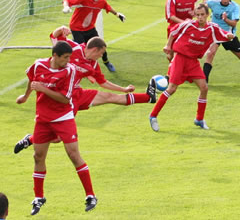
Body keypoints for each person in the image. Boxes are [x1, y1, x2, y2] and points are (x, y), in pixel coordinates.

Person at [13, 27, 157, 155]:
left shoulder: (93, 64)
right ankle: (30, 139)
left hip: (77, 93)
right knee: (57, 138)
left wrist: (124, 89)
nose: (101, 57)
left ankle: (148, 97)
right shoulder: (73, 48)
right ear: (94, 50)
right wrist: (62, 28)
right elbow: (54, 36)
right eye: (101, 54)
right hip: (64, 97)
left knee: (110, 97)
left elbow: (103, 82)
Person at [16, 41, 98, 215]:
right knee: (38, 156)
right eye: (65, 57)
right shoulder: (39, 65)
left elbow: (64, 99)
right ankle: (39, 197)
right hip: (43, 119)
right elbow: (32, 78)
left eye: (70, 57)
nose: (68, 60)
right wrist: (25, 96)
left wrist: (43, 89)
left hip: (63, 117)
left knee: (73, 155)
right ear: (55, 56)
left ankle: (90, 195)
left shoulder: (69, 71)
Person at [149, 4, 234, 132]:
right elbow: (173, 32)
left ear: (207, 15)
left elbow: (222, 33)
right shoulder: (188, 25)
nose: (200, 17)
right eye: (197, 15)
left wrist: (228, 36)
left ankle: (199, 119)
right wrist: (168, 45)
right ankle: (153, 116)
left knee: (204, 87)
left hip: (193, 62)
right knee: (171, 89)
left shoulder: (212, 28)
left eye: (202, 15)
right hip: (180, 59)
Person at [62, 0, 124, 72]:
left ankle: (107, 62)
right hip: (76, 28)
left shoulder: (102, 1)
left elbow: (108, 7)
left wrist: (117, 14)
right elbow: (66, 0)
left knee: (101, 46)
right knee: (83, 50)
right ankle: (83, 67)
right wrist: (66, 7)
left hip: (90, 28)